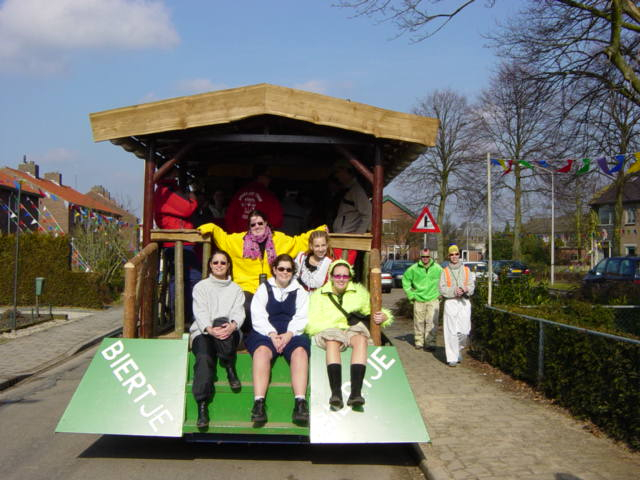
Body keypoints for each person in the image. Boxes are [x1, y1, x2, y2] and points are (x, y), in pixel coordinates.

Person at [196, 210, 326, 332]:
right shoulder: (238, 241)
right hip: (246, 287)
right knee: (245, 307)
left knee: (275, 307)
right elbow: (223, 238)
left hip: (271, 285)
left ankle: (271, 334)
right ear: (249, 226)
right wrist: (209, 227)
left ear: (266, 223)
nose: (257, 226)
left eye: (260, 223)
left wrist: (320, 230)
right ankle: (247, 336)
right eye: (253, 224)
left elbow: (299, 242)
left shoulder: (280, 240)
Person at [306, 259, 393, 409]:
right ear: (331, 276)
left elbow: (370, 310)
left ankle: (355, 393)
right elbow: (313, 320)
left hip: (352, 329)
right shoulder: (318, 295)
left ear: (350, 277)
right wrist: (336, 326)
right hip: (330, 328)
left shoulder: (359, 292)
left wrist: (384, 316)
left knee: (361, 340)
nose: (341, 279)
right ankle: (336, 393)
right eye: (337, 275)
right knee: (332, 341)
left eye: (345, 276)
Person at [245, 254, 310, 424]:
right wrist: (272, 334)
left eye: (289, 269)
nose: (285, 272)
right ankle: (259, 403)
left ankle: (300, 403)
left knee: (300, 352)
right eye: (281, 268)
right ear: (274, 270)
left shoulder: (300, 291)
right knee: (261, 352)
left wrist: (289, 334)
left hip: (292, 332)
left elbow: (302, 316)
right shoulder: (264, 289)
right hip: (266, 331)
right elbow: (258, 315)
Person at [190, 249, 245, 428]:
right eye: (215, 262)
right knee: (204, 358)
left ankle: (229, 366)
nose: (219, 265)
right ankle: (202, 405)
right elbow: (200, 311)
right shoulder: (201, 287)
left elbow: (238, 312)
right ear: (210, 265)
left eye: (223, 262)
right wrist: (209, 329)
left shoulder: (236, 289)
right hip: (204, 330)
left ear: (228, 266)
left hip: (227, 330)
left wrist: (232, 326)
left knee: (223, 323)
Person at [154, 167, 200, 326]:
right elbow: (186, 209)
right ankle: (184, 318)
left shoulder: (167, 189)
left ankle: (182, 317)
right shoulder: (166, 191)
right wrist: (193, 199)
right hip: (179, 242)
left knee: (182, 279)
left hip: (178, 242)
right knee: (190, 278)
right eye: (174, 172)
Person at [439, 245, 475, 367]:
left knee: (464, 331)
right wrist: (454, 291)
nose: (454, 256)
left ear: (459, 255)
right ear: (448, 256)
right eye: (451, 254)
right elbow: (442, 288)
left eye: (456, 254)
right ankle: (452, 358)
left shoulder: (466, 270)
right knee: (451, 331)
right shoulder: (444, 271)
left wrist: (465, 289)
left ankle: (458, 348)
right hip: (451, 302)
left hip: (464, 302)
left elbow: (471, 286)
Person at [402, 248, 443, 351]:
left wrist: (441, 294)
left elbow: (444, 281)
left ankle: (430, 343)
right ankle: (419, 342)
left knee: (432, 322)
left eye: (427, 256)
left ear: (430, 256)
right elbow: (405, 280)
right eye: (423, 256)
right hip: (419, 299)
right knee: (418, 322)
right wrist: (411, 295)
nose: (425, 258)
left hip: (433, 298)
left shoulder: (438, 268)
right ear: (420, 257)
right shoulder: (413, 268)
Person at [331, 162, 371, 265]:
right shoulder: (347, 189)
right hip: (341, 238)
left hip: (347, 241)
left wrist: (358, 235)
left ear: (347, 172)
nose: (336, 175)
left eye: (338, 171)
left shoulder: (357, 191)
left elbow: (367, 214)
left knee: (343, 269)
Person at [224, 165, 284, 233]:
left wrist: (235, 234)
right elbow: (277, 221)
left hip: (237, 237)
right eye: (268, 176)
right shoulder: (269, 196)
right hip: (258, 238)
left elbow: (229, 217)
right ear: (260, 176)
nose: (270, 180)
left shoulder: (239, 193)